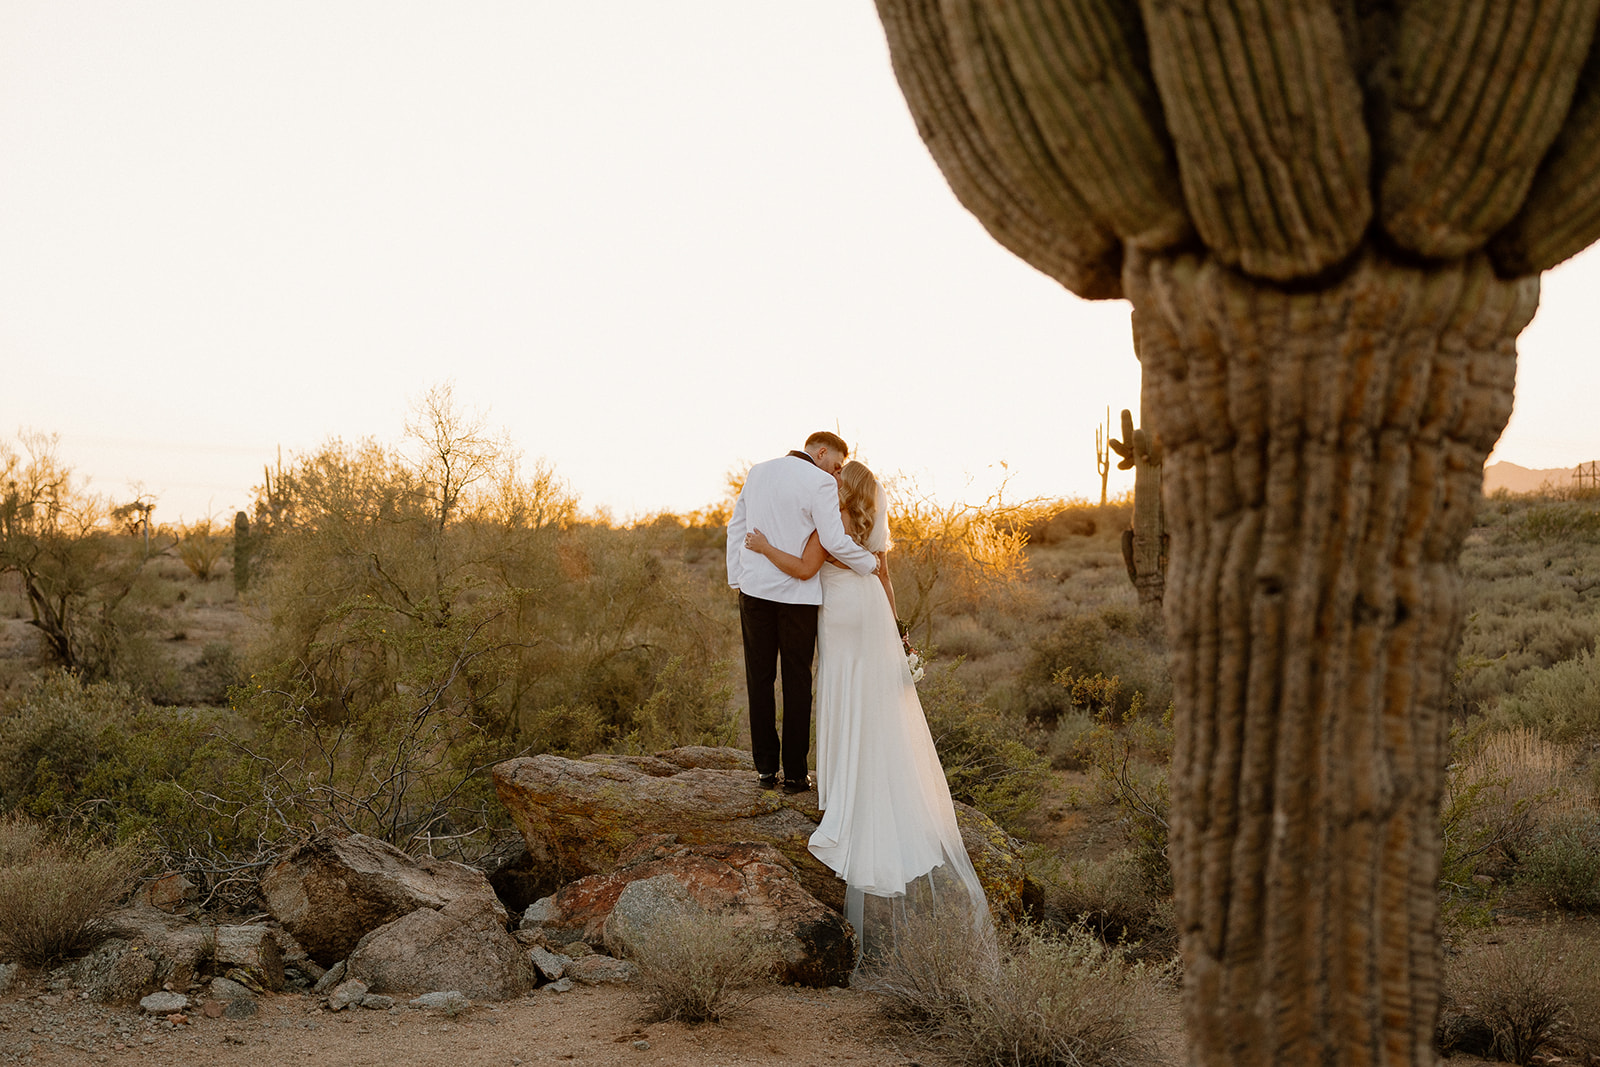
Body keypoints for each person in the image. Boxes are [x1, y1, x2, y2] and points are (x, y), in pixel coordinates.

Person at [744, 460, 990, 968]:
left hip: (838, 608)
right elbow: (883, 573)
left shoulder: (824, 516)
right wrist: (899, 631)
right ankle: (871, 775)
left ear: (837, 486)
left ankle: (837, 787)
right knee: (874, 695)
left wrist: (764, 548)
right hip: (872, 609)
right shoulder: (871, 519)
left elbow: (807, 567)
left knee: (839, 687)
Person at [726, 432, 879, 794]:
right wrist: (869, 563)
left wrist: (738, 578)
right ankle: (795, 773)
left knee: (758, 680)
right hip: (797, 597)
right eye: (837, 464)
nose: (838, 473)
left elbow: (736, 526)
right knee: (797, 684)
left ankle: (765, 769)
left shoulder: (758, 471)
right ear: (821, 453)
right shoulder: (820, 481)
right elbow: (833, 540)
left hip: (755, 592)